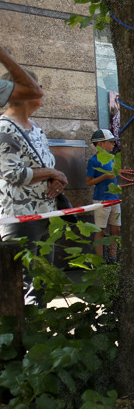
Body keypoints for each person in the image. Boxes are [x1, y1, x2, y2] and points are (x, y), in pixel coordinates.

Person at [0, 69, 68, 306]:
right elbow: (13, 173)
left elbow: (44, 166)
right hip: (20, 218)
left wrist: (56, 178)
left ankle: (40, 325)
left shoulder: (35, 128)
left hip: (44, 214)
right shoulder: (4, 128)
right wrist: (52, 173)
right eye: (36, 86)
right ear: (20, 93)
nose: (42, 92)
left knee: (41, 284)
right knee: (22, 284)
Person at [85, 128, 120, 260]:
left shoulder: (112, 159)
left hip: (115, 198)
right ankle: (99, 260)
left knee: (116, 230)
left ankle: (113, 258)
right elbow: (88, 182)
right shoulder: (93, 161)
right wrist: (105, 176)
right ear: (100, 144)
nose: (113, 144)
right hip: (101, 199)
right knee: (100, 230)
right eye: (110, 142)